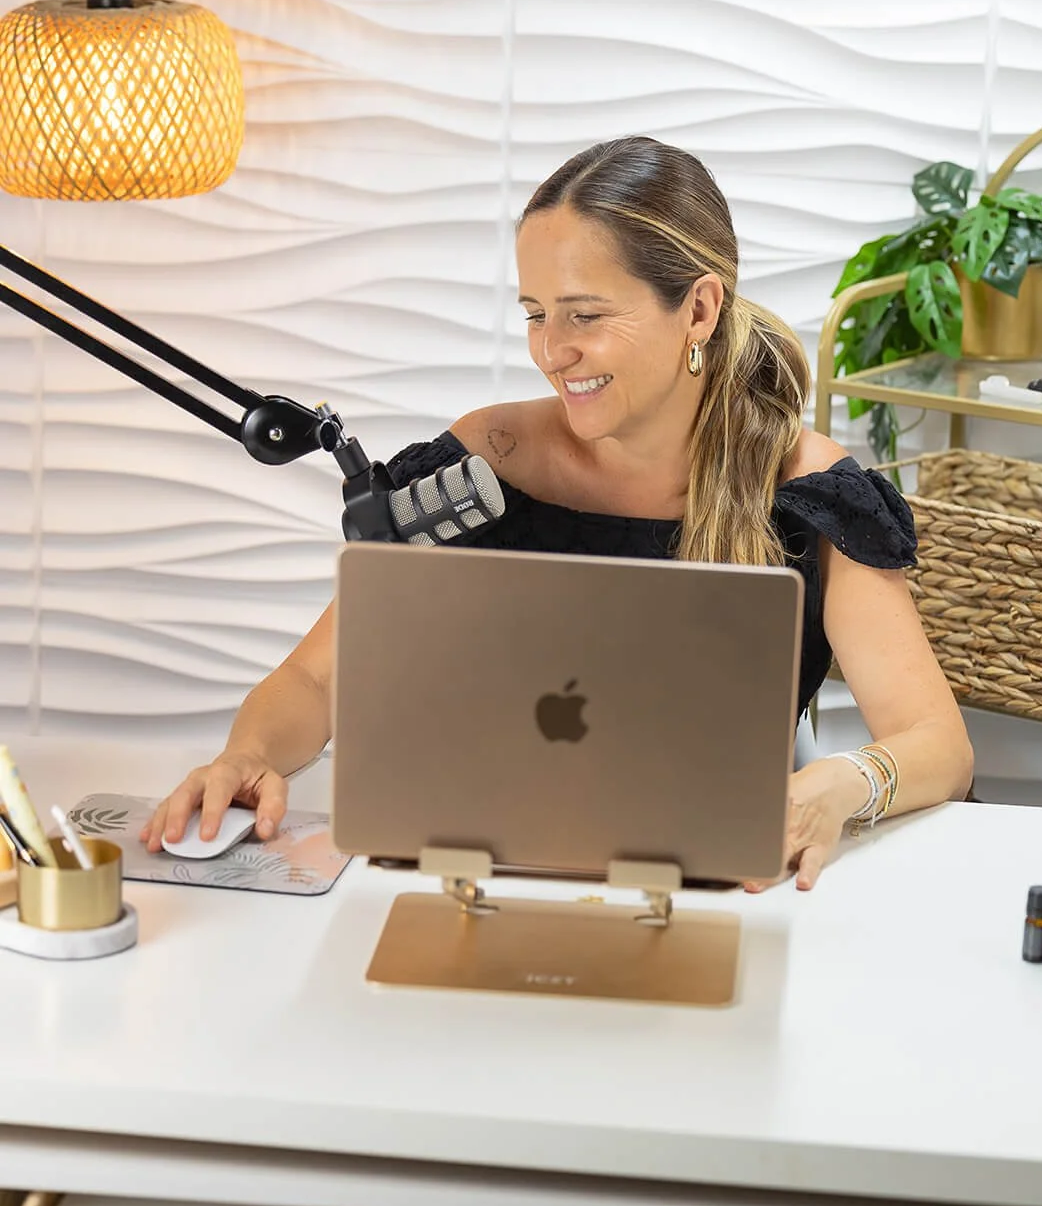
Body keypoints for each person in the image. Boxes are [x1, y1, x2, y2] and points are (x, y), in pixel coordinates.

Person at [142, 136, 973, 889]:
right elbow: (319, 675)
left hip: (714, 890)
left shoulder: (808, 489)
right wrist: (246, 755)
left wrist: (847, 782)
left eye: (585, 315)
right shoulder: (484, 462)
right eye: (537, 315)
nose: (550, 351)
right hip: (481, 872)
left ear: (699, 310)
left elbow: (938, 743)